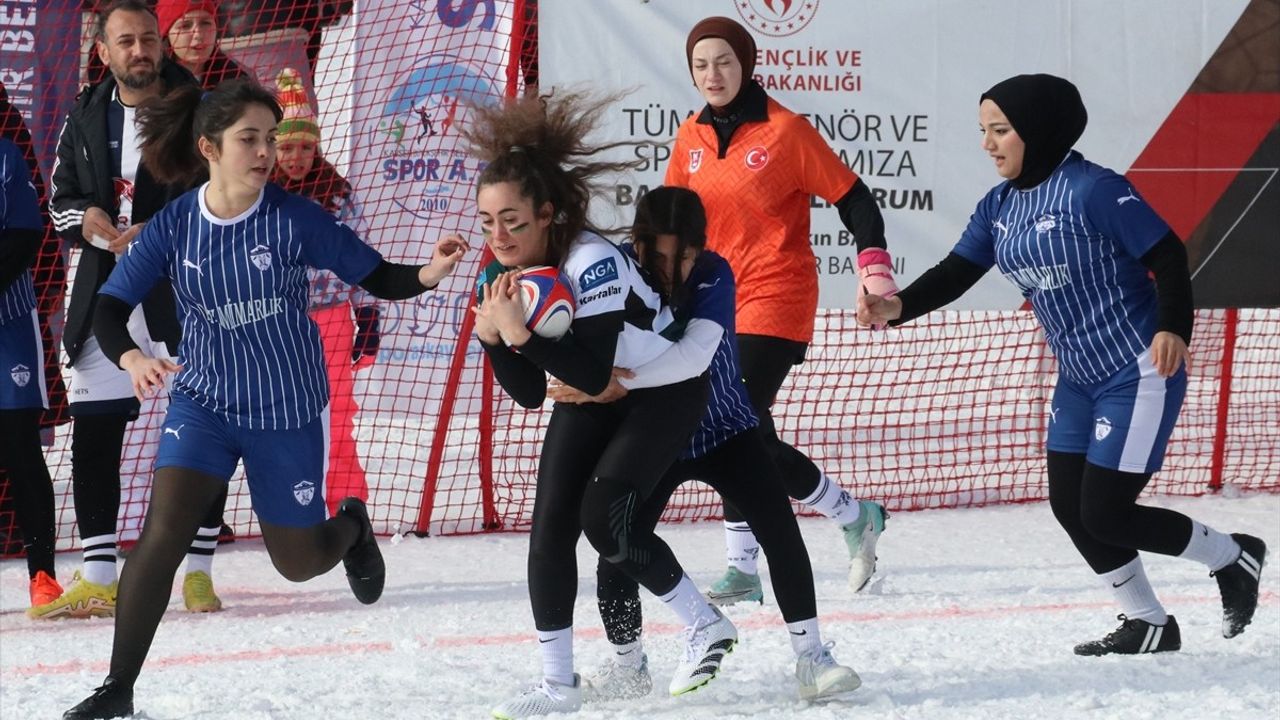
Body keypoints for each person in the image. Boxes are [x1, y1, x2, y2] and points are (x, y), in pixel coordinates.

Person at [62, 77, 467, 720]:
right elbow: (111, 307)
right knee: (161, 534)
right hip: (204, 406)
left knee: (298, 563)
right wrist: (133, 357)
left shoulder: (295, 217)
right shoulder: (173, 225)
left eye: (270, 140)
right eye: (248, 139)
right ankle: (118, 690)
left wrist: (430, 272)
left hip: (286, 409)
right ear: (209, 147)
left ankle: (354, 526)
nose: (265, 153)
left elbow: (378, 276)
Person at [858, 73, 1267, 656]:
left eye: (1000, 130)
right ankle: (1148, 621)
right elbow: (956, 273)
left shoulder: (1092, 189)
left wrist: (1174, 326)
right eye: (983, 131)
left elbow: (1168, 254)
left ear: (1039, 130)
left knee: (1105, 511)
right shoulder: (999, 206)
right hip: (1078, 379)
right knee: (1070, 506)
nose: (988, 143)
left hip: (1137, 368)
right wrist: (895, 307)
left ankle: (1234, 555)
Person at [467, 92, 737, 719]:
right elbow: (532, 391)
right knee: (549, 528)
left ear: (548, 215)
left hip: (662, 392)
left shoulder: (589, 260)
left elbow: (590, 370)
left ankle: (706, 625)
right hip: (592, 392)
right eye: (487, 222)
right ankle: (558, 683)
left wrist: (517, 335)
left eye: (513, 220)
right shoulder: (499, 277)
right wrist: (493, 338)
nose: (499, 237)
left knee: (603, 518)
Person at [548, 187, 862, 703]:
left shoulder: (715, 273)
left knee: (779, 530)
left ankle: (812, 658)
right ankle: (629, 666)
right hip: (657, 437)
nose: (673, 268)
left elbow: (693, 358)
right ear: (637, 243)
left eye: (685, 255)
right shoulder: (618, 270)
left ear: (702, 247)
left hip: (726, 429)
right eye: (660, 255)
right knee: (618, 547)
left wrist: (607, 382)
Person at [666, 16, 895, 600]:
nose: (712, 75)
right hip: (711, 303)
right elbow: (673, 224)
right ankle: (832, 523)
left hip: (775, 296)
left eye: (723, 61)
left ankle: (797, 540)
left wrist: (874, 270)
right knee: (730, 430)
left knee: (733, 418)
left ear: (746, 63)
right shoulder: (688, 136)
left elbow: (856, 199)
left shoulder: (786, 130)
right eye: (700, 64)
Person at [39, 0, 229, 620]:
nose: (141, 50)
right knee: (96, 428)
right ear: (104, 51)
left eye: (149, 38)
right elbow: (60, 200)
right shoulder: (84, 112)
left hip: (184, 289)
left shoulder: (200, 107)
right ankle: (99, 572)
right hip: (105, 290)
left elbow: (229, 191)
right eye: (127, 41)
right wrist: (90, 223)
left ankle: (198, 569)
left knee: (204, 429)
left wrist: (165, 227)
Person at [272, 66, 376, 515]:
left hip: (330, 317)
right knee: (281, 413)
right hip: (276, 319)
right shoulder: (259, 195)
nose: (297, 158)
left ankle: (345, 497)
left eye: (306, 148)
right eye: (287, 147)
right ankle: (288, 498)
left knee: (336, 411)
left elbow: (361, 255)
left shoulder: (336, 194)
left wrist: (367, 314)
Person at [0, 134, 62, 610]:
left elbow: (24, 234)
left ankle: (43, 574)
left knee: (20, 447)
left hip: (8, 324)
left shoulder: (5, 153)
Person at [157, 0, 250, 89]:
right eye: (185, 26)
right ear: (166, 35)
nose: (198, 34)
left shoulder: (237, 77)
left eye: (205, 23)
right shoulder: (154, 82)